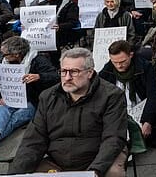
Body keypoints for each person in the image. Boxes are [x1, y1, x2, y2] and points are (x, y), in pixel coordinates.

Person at [8, 48, 128, 177]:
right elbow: (33, 140)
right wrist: (15, 174)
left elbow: (113, 138)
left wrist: (95, 171)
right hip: (57, 161)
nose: (67, 77)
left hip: (99, 159)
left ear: (90, 73)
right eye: (63, 71)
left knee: (113, 172)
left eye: (74, 72)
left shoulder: (111, 95)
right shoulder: (48, 96)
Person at [0, 36, 57, 145]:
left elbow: (55, 77)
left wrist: (39, 76)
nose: (3, 57)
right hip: (13, 98)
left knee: (16, 118)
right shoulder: (5, 63)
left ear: (16, 54)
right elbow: (1, 83)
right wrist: (3, 97)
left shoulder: (38, 60)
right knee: (0, 109)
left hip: (32, 101)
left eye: (5, 54)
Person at [99, 40, 156, 143]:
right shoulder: (106, 71)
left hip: (141, 106)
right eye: (115, 62)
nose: (118, 66)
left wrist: (147, 121)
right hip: (120, 110)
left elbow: (153, 95)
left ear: (131, 55)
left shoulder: (145, 67)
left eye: (122, 62)